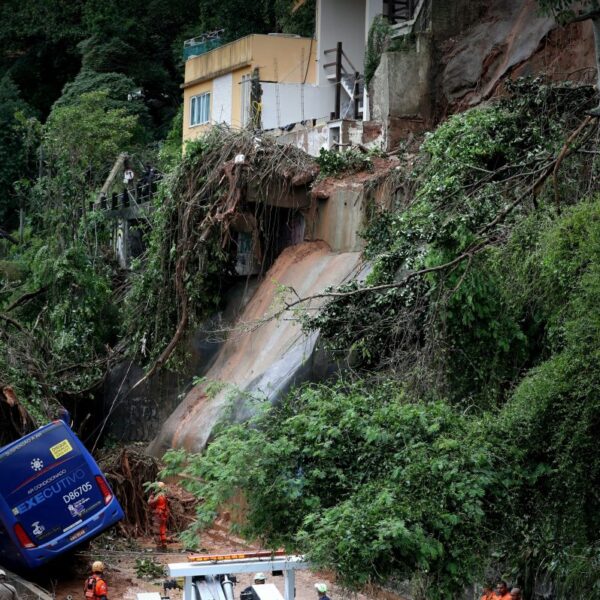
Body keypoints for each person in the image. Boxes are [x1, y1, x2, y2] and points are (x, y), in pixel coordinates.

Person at [148, 481, 169, 549]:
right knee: (162, 530)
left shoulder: (158, 496)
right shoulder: (164, 495)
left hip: (158, 515)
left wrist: (151, 496)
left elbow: (150, 503)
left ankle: (159, 545)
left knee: (157, 531)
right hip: (163, 515)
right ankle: (164, 544)